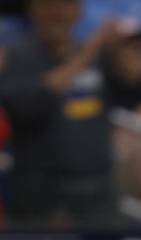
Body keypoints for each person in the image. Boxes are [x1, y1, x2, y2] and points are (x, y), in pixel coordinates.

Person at [0, 0, 125, 224]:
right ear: (33, 9)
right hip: (45, 198)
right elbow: (25, 106)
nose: (57, 12)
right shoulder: (16, 57)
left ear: (79, 10)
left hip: (100, 191)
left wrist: (128, 67)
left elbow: (130, 95)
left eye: (66, 4)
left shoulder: (94, 55)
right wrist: (83, 59)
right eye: (49, 5)